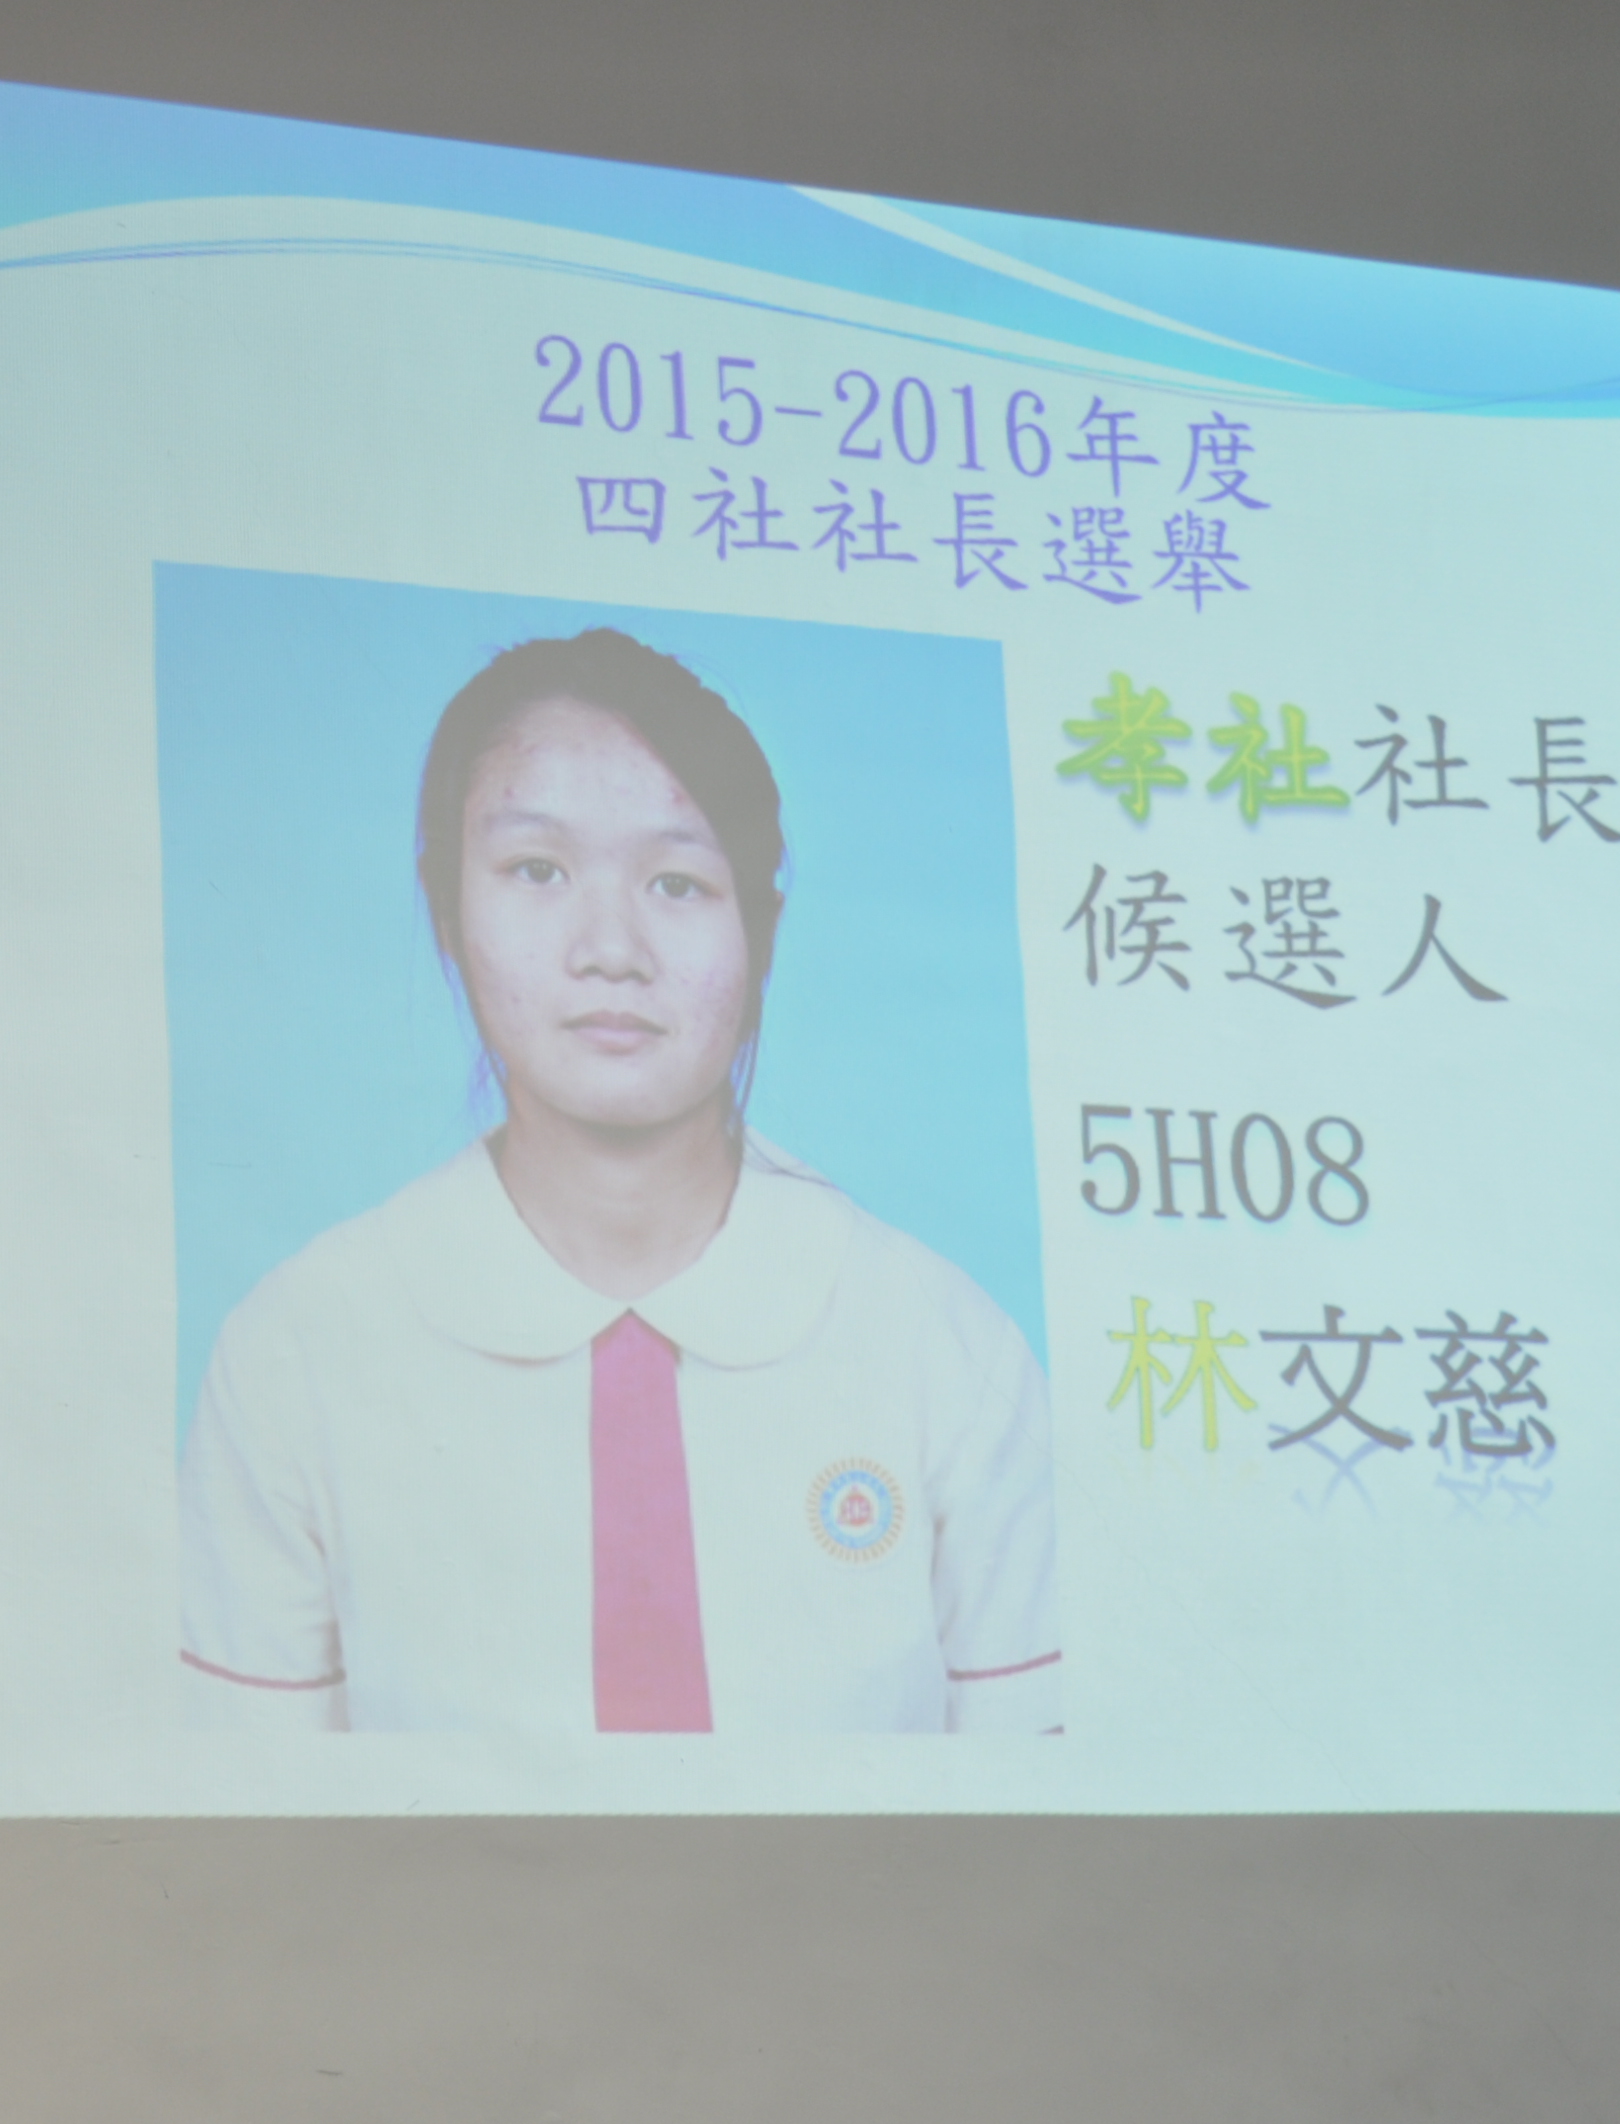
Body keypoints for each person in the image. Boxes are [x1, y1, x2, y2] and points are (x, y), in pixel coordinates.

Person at [178, 628, 1058, 1735]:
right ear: (447, 911)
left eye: (678, 883)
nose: (610, 949)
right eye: (537, 871)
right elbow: (250, 1823)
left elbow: (1035, 1813)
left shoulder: (947, 1353)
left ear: (761, 930)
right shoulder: (293, 1354)